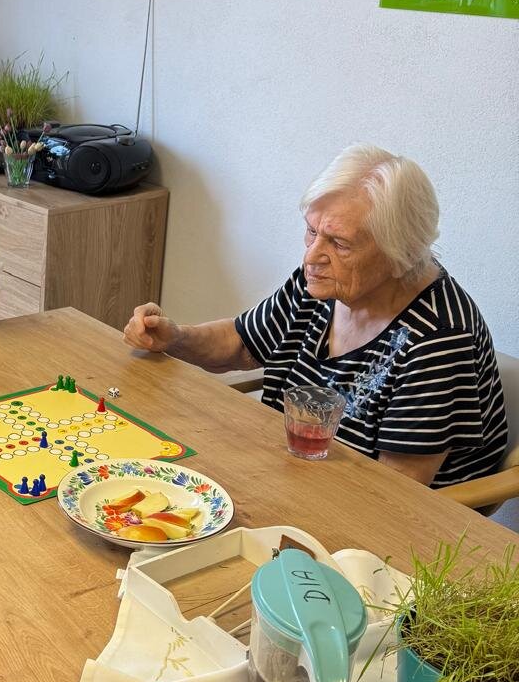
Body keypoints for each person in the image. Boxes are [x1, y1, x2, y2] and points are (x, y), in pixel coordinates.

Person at [123, 144, 506, 489]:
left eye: (339, 243)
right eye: (311, 231)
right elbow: (241, 344)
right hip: (287, 475)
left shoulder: (439, 338)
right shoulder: (324, 282)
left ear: (399, 253)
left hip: (370, 513)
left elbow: (397, 491)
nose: (311, 256)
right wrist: (174, 337)